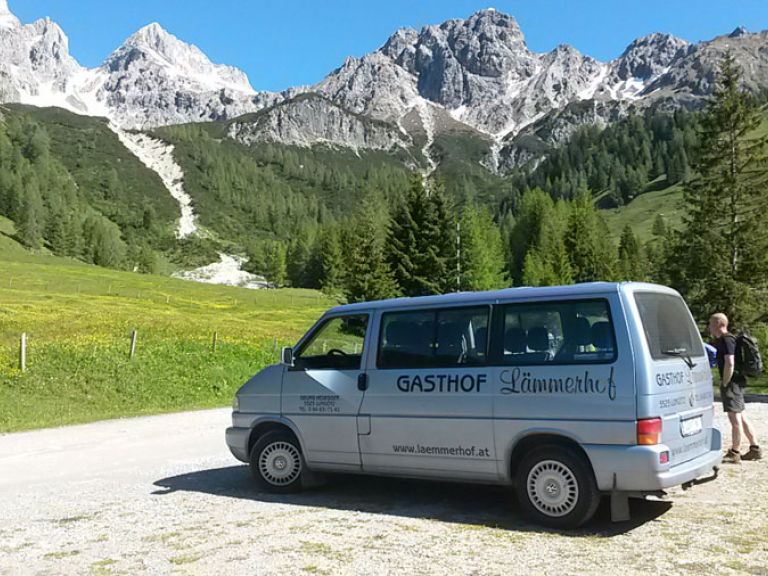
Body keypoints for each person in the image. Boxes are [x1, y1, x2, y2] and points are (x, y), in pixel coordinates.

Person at [709, 313, 762, 463]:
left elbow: (730, 362)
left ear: (719, 324)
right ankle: (755, 449)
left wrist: (725, 382)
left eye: (711, 324)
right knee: (742, 416)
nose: (709, 328)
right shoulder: (727, 339)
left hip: (732, 383)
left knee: (735, 419)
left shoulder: (727, 340)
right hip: (736, 382)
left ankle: (735, 452)